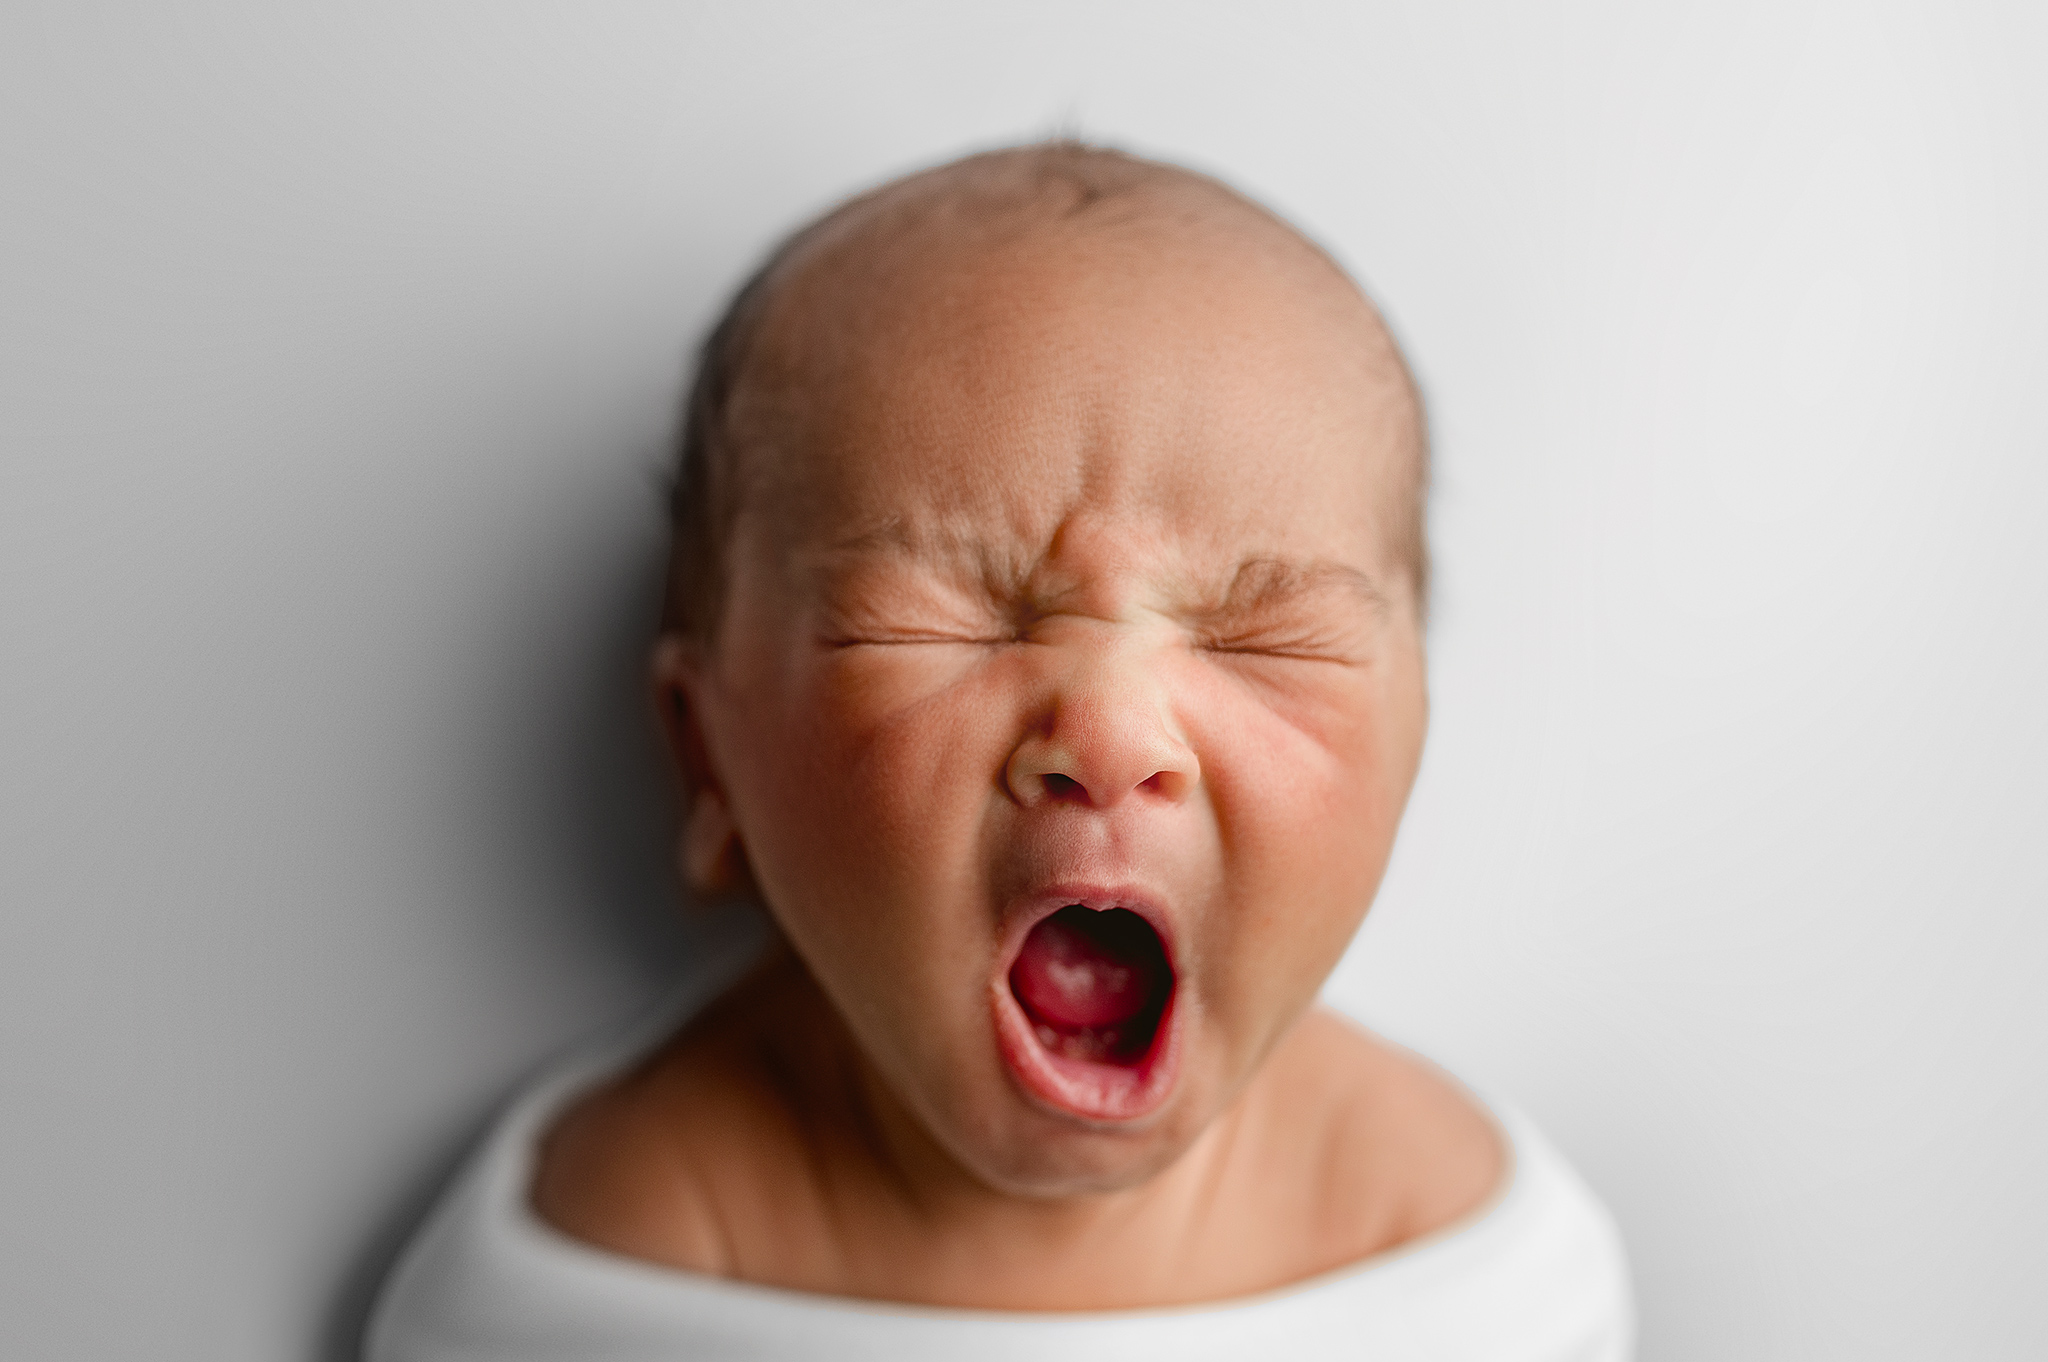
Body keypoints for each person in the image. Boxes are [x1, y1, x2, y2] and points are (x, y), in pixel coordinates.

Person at [366, 141, 1633, 1361]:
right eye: (938, 622)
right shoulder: (631, 1256)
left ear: (1414, 741)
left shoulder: (1453, 1263)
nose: (1109, 734)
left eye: (1264, 638)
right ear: (710, 759)